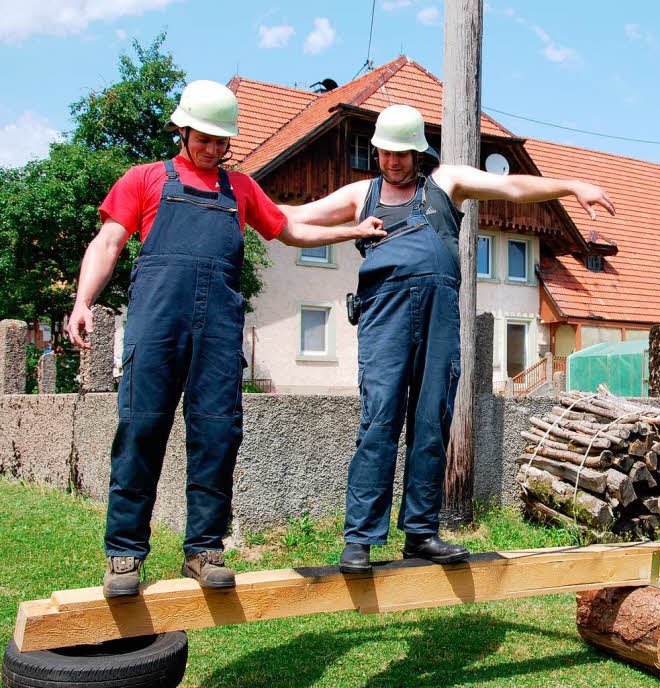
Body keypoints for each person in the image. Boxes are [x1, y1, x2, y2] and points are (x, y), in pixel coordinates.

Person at [67, 80, 386, 598]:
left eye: (222, 142)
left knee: (217, 438)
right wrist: (83, 302)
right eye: (205, 139)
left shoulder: (239, 189)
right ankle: (124, 554)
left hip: (217, 334)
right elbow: (107, 242)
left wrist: (351, 231)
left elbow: (288, 230)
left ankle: (204, 550)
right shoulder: (144, 180)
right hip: (155, 331)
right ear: (183, 130)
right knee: (139, 434)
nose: (214, 150)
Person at [281, 104, 615, 573]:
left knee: (431, 422)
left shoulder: (445, 183)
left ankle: (420, 532)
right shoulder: (362, 194)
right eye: (385, 152)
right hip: (385, 320)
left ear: (418, 153)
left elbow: (511, 186)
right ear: (376, 150)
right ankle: (360, 538)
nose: (393, 161)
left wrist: (572, 185)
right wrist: (234, 202)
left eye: (402, 153)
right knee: (379, 422)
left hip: (439, 319)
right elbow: (292, 217)